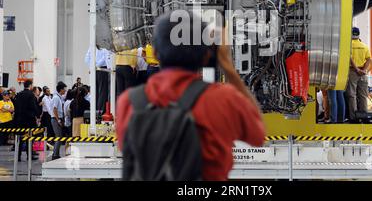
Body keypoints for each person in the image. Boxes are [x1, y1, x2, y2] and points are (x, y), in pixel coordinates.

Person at [116, 11, 266, 180]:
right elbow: (258, 135)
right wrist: (228, 68)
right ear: (206, 56)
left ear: (156, 54)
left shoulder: (129, 103)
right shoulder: (222, 100)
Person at [345, 27, 372, 122]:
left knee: (352, 94)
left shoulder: (348, 45)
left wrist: (356, 69)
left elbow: (349, 58)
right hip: (363, 73)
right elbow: (369, 59)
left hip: (353, 71)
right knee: (363, 95)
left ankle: (353, 116)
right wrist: (364, 70)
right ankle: (363, 115)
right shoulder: (364, 46)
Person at [14, 80, 39, 161]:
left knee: (19, 139)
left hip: (20, 119)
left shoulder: (19, 94)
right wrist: (37, 115)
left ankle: (18, 156)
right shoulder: (31, 95)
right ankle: (29, 155)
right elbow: (33, 107)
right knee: (30, 138)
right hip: (29, 120)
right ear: (30, 85)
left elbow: (16, 106)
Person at [85, 46, 110, 113]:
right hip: (102, 70)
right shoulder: (104, 46)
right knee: (102, 92)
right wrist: (96, 66)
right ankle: (100, 111)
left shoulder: (91, 46)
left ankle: (95, 111)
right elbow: (105, 58)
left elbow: (86, 59)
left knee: (95, 92)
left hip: (94, 71)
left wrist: (92, 66)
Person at [50, 81, 67, 160]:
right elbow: (54, 109)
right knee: (58, 137)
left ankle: (56, 153)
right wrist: (58, 120)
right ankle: (55, 155)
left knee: (59, 137)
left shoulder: (58, 97)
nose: (65, 91)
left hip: (57, 118)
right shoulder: (56, 98)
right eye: (64, 89)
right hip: (55, 119)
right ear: (60, 89)